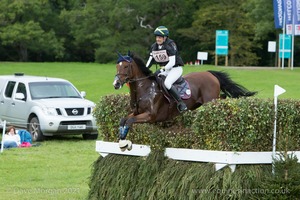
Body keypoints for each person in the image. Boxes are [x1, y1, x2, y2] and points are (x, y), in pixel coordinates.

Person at [146, 25, 187, 112]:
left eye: (160, 37)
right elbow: (150, 61)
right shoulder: (154, 46)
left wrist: (162, 69)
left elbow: (172, 62)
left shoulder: (170, 45)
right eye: (157, 37)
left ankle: (181, 103)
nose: (157, 39)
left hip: (175, 69)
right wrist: (144, 70)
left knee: (167, 83)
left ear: (165, 38)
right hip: (165, 70)